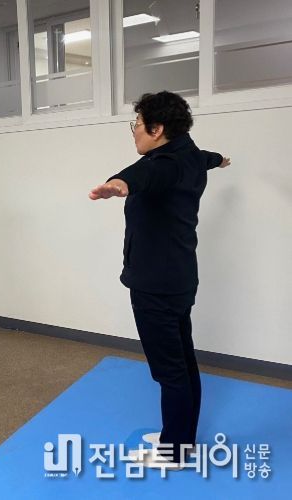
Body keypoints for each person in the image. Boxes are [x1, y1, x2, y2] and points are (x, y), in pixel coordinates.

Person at [89, 91, 230, 467]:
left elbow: (146, 174)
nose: (134, 131)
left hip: (155, 285)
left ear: (157, 129)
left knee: (170, 370)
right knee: (183, 359)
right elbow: (207, 157)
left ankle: (174, 451)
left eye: (136, 124)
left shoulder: (164, 165)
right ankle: (183, 440)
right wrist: (220, 160)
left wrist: (119, 183)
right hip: (180, 278)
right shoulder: (192, 155)